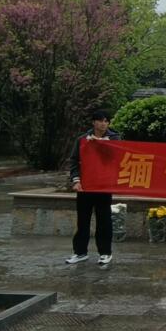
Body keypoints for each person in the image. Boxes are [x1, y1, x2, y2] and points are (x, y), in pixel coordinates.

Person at [65, 110, 122, 266]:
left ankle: (105, 253)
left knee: (104, 220)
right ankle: (80, 252)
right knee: (83, 220)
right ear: (93, 122)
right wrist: (76, 181)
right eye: (100, 121)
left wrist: (101, 144)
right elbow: (74, 161)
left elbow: (117, 158)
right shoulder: (83, 140)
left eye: (106, 121)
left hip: (103, 186)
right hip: (85, 186)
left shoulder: (115, 139)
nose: (103, 124)